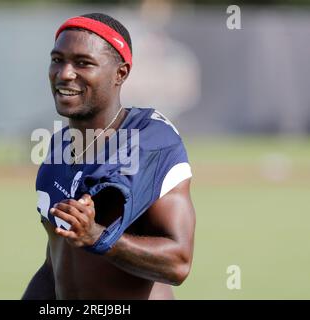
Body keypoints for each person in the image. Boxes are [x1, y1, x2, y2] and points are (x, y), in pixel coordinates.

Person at [22, 13, 196, 300]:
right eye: (57, 59)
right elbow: (55, 264)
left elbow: (178, 263)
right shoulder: (58, 147)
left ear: (121, 73)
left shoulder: (152, 142)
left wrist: (98, 237)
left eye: (83, 63)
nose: (64, 73)